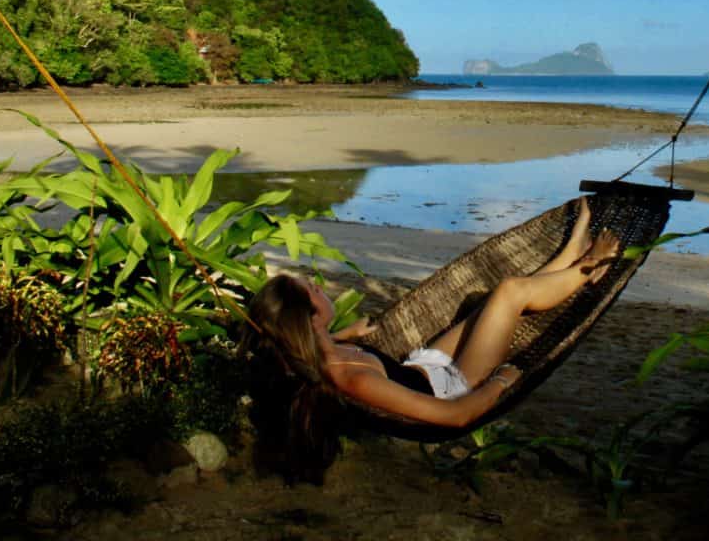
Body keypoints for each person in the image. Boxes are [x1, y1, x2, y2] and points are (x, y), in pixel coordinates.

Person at [241, 196, 620, 482]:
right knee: (509, 293)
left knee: (491, 303)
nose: (321, 286)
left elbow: (307, 352)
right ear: (312, 317)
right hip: (454, 388)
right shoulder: (350, 377)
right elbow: (455, 417)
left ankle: (573, 254)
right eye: (313, 288)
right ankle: (589, 267)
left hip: (423, 367)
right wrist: (504, 379)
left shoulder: (312, 354)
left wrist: (347, 334)